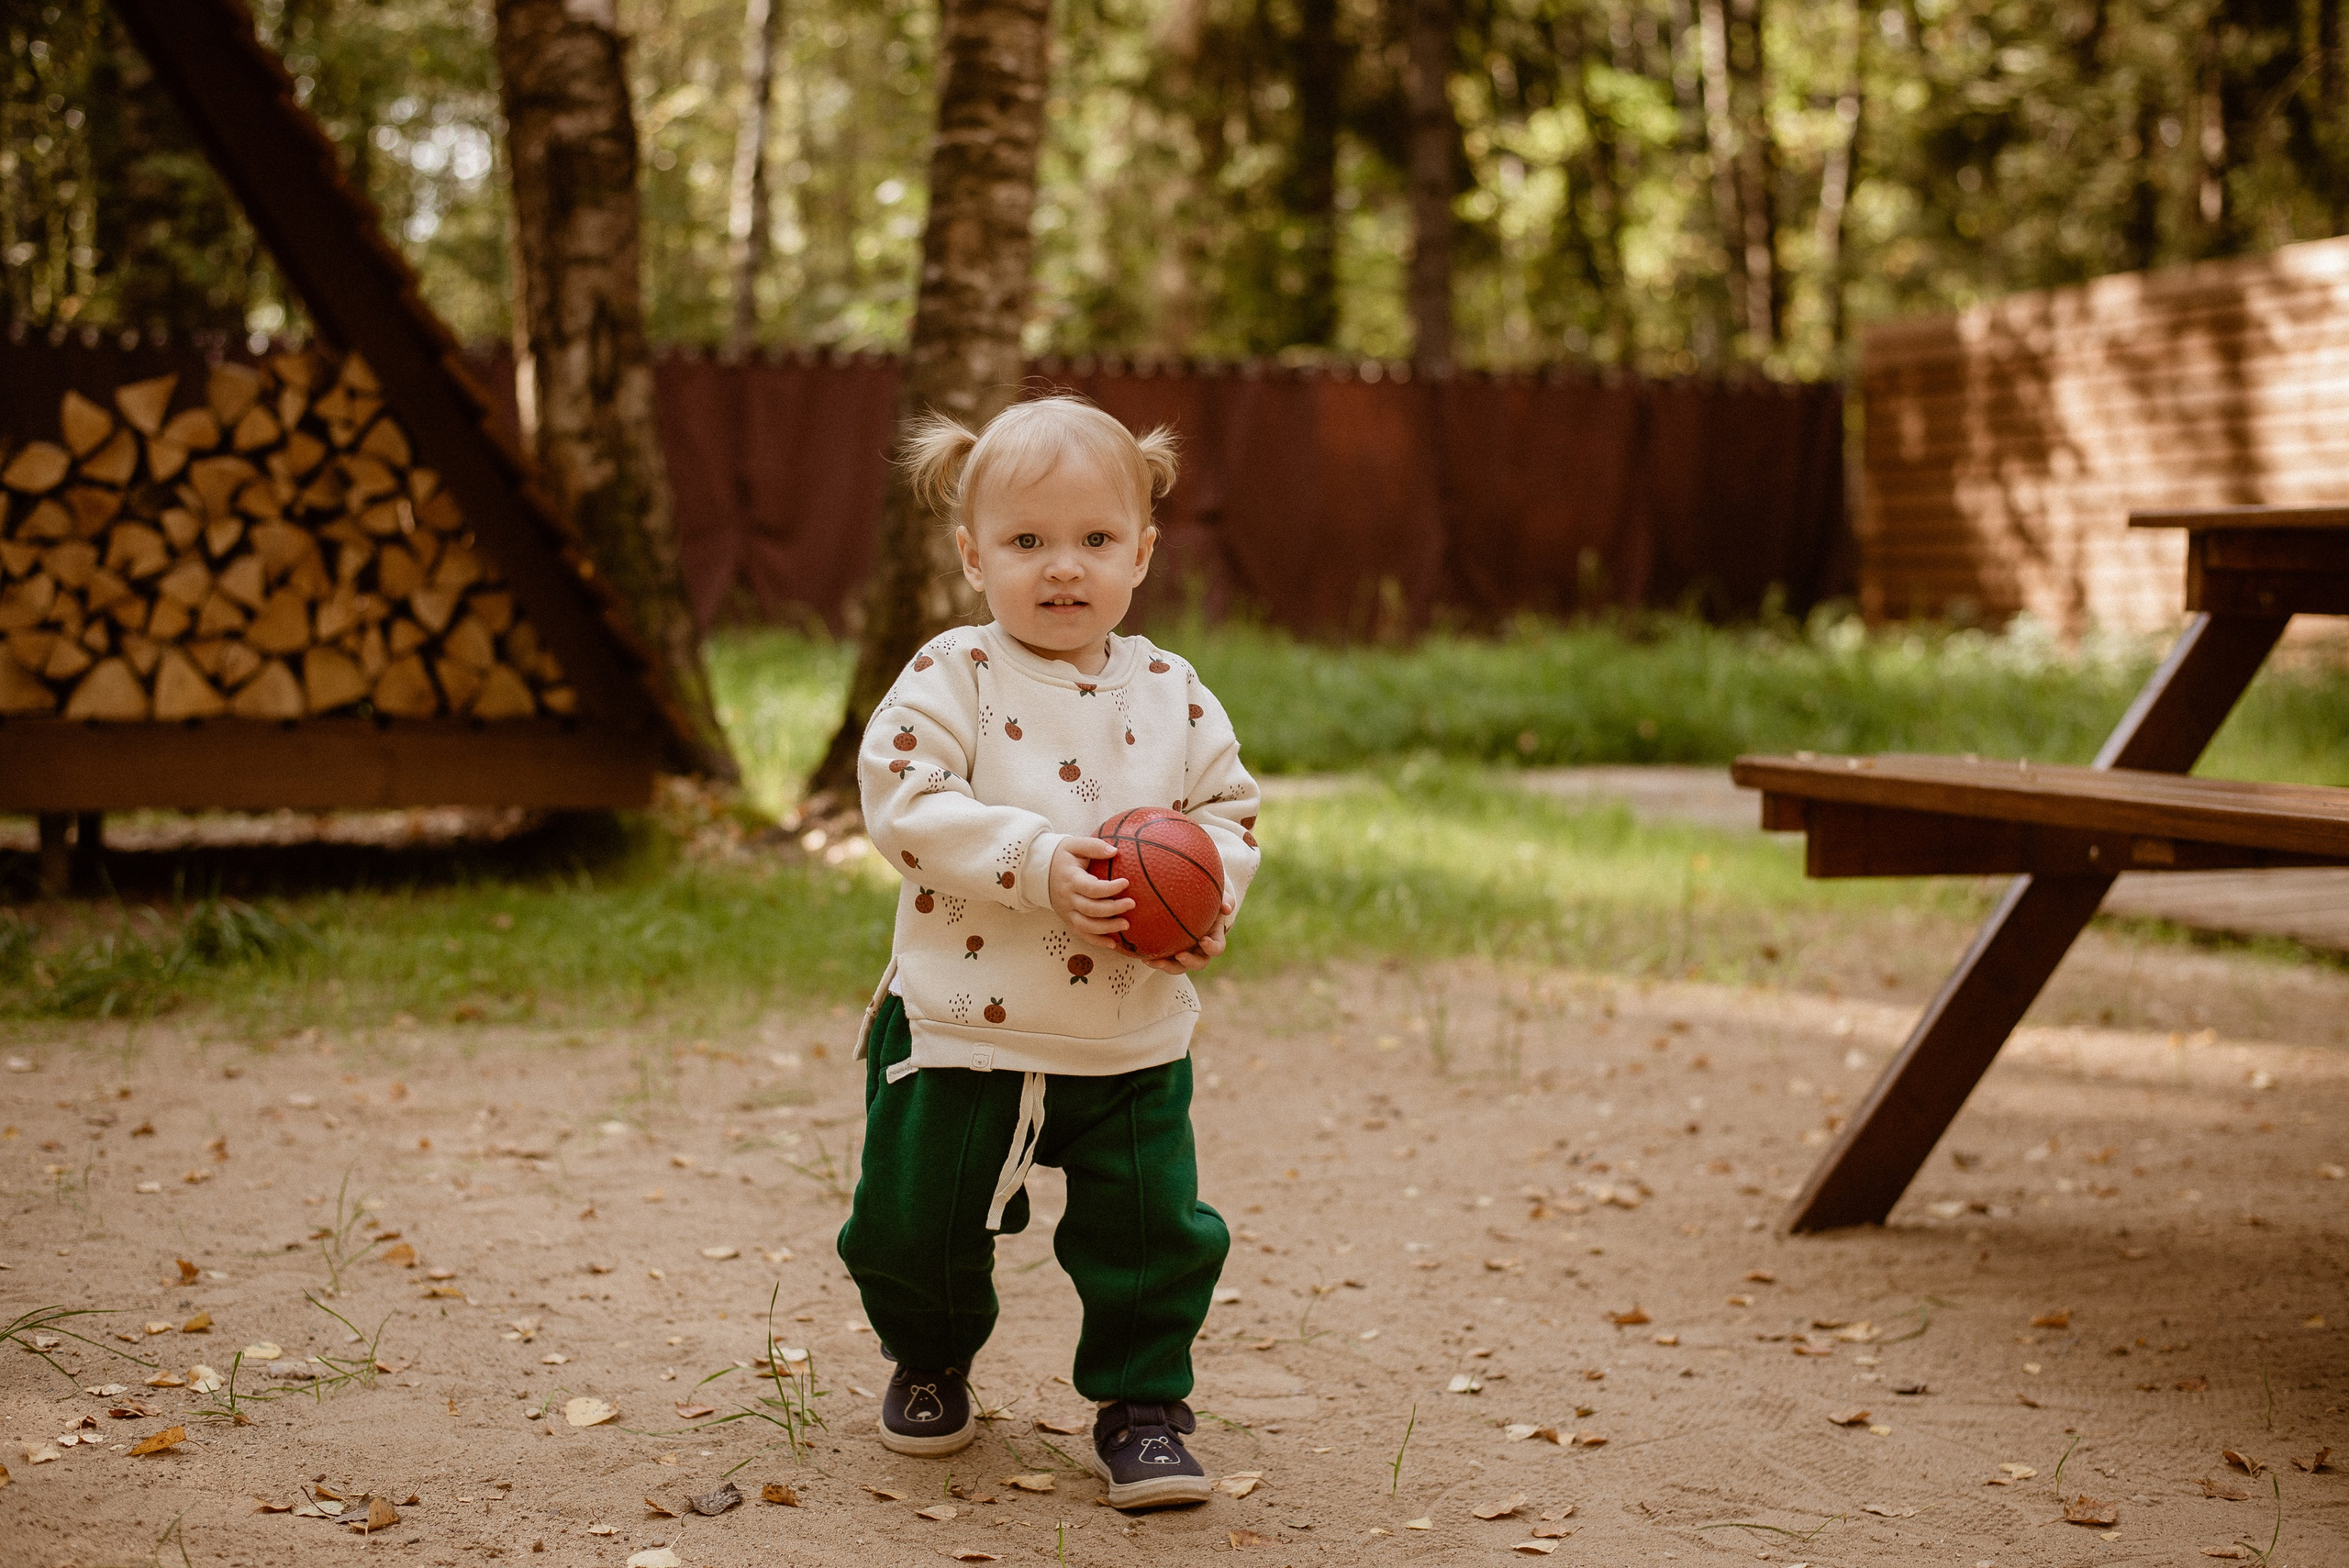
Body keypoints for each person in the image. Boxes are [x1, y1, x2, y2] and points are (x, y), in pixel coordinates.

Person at [838, 394, 1261, 1509]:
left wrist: (1205, 901)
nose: (1061, 568)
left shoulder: (1171, 692)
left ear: (1143, 553)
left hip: (1127, 1028)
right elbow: (904, 801)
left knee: (1152, 1231)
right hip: (963, 1020)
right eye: (1027, 542)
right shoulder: (952, 676)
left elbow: (1227, 816)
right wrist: (1034, 858)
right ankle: (928, 1357)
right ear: (973, 556)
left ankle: (1142, 1403)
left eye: (1093, 541)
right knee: (912, 1223)